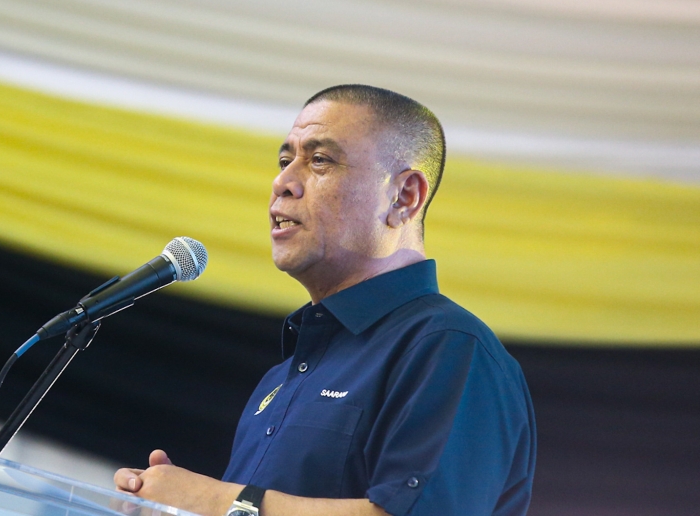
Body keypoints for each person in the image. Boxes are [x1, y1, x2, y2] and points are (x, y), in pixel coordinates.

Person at [114, 85, 536, 516]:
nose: (282, 182)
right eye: (284, 161)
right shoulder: (279, 378)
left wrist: (218, 501)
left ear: (404, 196)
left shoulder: (451, 348)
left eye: (319, 160)